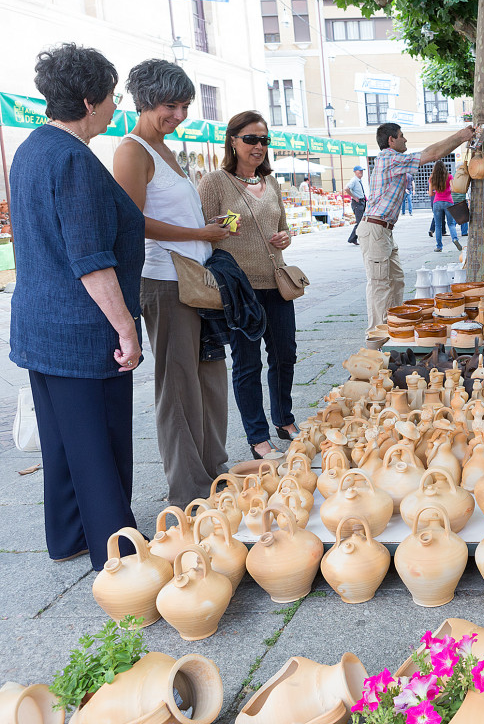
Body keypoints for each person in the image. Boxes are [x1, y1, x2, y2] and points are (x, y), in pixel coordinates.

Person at [10, 44, 141, 570]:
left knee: (64, 442)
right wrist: (125, 328)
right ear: (89, 100)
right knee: (98, 445)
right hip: (83, 327)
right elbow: (91, 260)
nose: (116, 108)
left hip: (41, 323)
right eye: (113, 98)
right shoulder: (73, 159)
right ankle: (121, 557)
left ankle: (68, 536)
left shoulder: (31, 148)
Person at [112, 58, 231, 506]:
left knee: (210, 379)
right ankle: (188, 491)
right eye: (170, 105)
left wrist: (206, 226)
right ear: (144, 101)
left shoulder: (164, 147)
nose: (179, 115)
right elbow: (132, 222)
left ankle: (212, 474)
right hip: (165, 282)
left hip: (196, 281)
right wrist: (200, 233)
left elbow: (170, 212)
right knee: (179, 389)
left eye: (184, 106)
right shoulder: (132, 149)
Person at [199, 111, 298, 458]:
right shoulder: (214, 182)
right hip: (240, 289)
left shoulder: (270, 183)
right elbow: (203, 236)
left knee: (285, 354)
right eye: (251, 139)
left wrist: (285, 238)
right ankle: (257, 439)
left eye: (264, 140)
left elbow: (283, 226)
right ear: (233, 141)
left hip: (277, 283)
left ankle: (284, 420)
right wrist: (219, 230)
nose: (258, 146)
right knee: (247, 363)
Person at [360, 122, 474, 330]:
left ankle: (396, 328)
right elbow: (430, 154)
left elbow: (431, 153)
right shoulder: (389, 158)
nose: (405, 139)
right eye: (402, 136)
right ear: (391, 140)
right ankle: (376, 337)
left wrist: (461, 138)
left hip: (384, 230)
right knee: (380, 285)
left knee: (396, 281)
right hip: (375, 229)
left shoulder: (395, 159)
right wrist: (460, 136)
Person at [428, 161, 460, 252]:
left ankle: (439, 246)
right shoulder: (449, 176)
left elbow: (430, 193)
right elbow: (453, 189)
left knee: (438, 225)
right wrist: (446, 191)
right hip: (448, 202)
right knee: (451, 223)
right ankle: (455, 239)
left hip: (437, 202)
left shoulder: (432, 178)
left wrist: (437, 192)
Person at [345, 165, 367, 245]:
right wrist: (354, 197)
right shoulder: (354, 180)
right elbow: (346, 188)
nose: (361, 172)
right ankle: (353, 238)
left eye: (362, 171)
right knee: (360, 222)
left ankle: (353, 238)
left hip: (362, 202)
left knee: (362, 221)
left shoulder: (358, 180)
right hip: (357, 203)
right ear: (355, 172)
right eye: (359, 171)